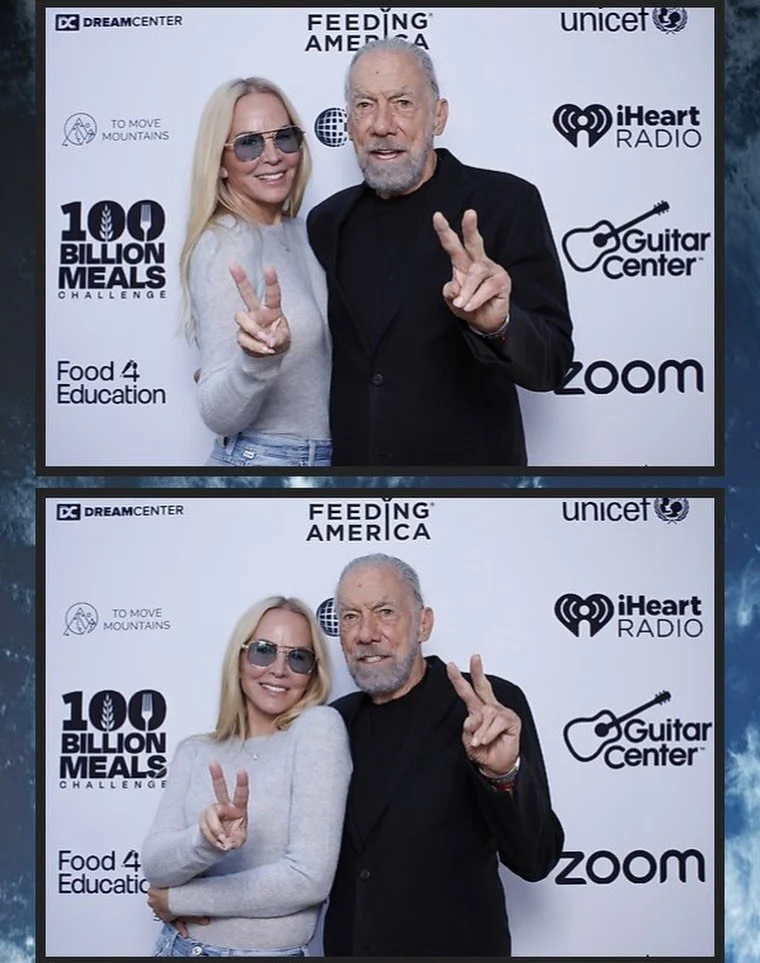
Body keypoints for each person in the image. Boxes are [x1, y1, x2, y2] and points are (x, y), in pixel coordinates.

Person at [307, 39, 574, 467]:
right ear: (349, 122)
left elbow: (551, 365)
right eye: (364, 105)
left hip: (470, 494)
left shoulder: (507, 203)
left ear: (439, 116)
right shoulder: (326, 221)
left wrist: (498, 325)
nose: (381, 124)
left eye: (403, 102)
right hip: (356, 496)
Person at [325, 554, 563, 957]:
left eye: (385, 612)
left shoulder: (489, 706)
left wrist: (503, 775)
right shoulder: (332, 723)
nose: (366, 633)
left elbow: (535, 859)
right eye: (350, 617)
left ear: (424, 623)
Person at [140, 597, 352, 957]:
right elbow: (155, 864)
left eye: (298, 657)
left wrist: (177, 899)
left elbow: (308, 880)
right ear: (238, 660)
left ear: (313, 673)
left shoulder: (318, 729)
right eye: (263, 651)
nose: (279, 669)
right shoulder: (195, 750)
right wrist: (207, 841)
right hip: (177, 949)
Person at [180, 78, 332, 468]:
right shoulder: (226, 242)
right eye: (249, 143)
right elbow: (217, 414)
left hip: (322, 463)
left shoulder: (303, 231)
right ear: (220, 162)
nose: (273, 156)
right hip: (264, 465)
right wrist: (258, 359)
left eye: (284, 137)